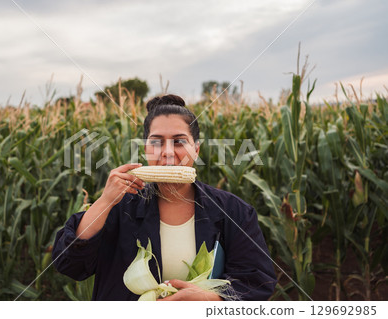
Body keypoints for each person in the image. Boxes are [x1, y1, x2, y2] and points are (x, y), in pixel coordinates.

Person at [52, 94, 277, 301]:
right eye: (156, 141)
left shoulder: (233, 211)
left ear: (196, 150)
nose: (167, 152)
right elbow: (69, 264)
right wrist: (104, 201)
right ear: (146, 149)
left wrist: (210, 299)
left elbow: (257, 280)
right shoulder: (119, 206)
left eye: (179, 141)